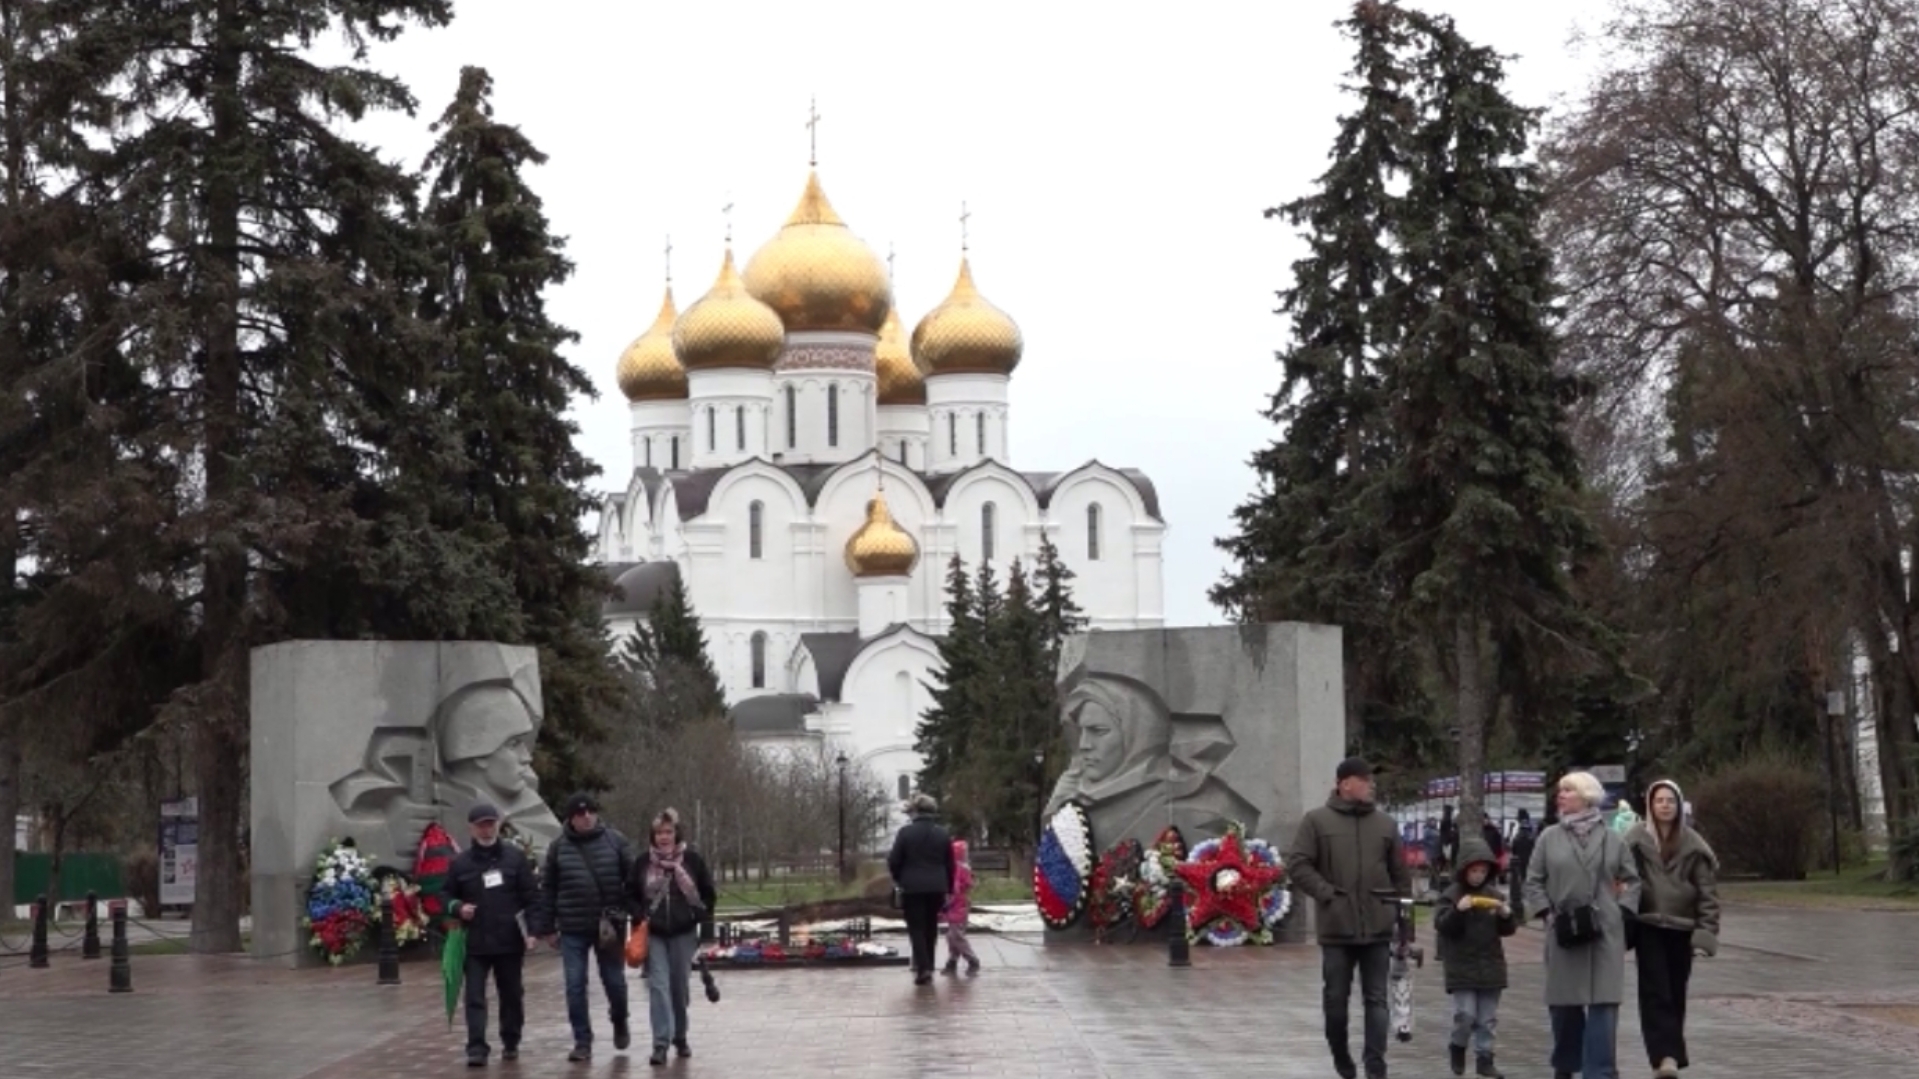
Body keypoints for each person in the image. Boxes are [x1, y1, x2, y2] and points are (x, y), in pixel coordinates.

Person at [1288, 757, 1411, 1079]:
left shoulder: (1385, 825)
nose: (1371, 785)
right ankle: (1342, 1059)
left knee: (1377, 1000)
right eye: (1365, 779)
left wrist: (1404, 923)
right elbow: (1298, 865)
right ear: (1344, 784)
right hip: (1337, 928)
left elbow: (1401, 877)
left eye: (1371, 780)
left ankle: (1375, 1066)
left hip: (1378, 927)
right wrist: (1327, 893)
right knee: (1336, 1002)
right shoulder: (1316, 821)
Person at [1524, 771, 1641, 1079]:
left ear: (1586, 796)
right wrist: (1547, 915)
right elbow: (1533, 882)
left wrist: (1623, 911)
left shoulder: (1613, 839)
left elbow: (1632, 880)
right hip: (1564, 932)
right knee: (1564, 1007)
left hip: (1605, 933)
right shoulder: (1548, 838)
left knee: (1604, 1006)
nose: (1560, 795)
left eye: (1568, 790)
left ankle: (1600, 1072)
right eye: (1559, 791)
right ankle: (1566, 1066)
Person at [1625, 780, 1720, 1078]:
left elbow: (1707, 892)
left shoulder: (1693, 844)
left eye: (1670, 800)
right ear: (1650, 805)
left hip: (1681, 928)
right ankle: (1663, 1057)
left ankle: (1672, 1055)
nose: (1665, 805)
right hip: (1649, 924)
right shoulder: (1636, 839)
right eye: (1659, 800)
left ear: (1679, 806)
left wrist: (1706, 931)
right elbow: (1622, 878)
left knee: (1675, 992)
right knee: (1655, 993)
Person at [531, 792, 634, 1063]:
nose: (586, 816)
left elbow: (632, 881)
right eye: (579, 813)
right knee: (575, 985)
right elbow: (548, 889)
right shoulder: (558, 848)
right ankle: (582, 1040)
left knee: (614, 982)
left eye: (590, 811)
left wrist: (631, 913)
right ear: (571, 818)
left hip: (608, 927)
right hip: (573, 927)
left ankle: (620, 1019)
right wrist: (548, 927)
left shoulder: (616, 841)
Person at [442, 802, 538, 1068]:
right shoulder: (460, 863)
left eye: (491, 823)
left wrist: (532, 931)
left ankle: (510, 1040)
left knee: (511, 995)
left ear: (498, 824)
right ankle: (476, 1047)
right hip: (475, 943)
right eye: (481, 825)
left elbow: (530, 896)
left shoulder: (515, 858)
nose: (486, 829)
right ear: (471, 829)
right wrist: (458, 907)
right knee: (474, 996)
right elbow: (445, 895)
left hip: (509, 941)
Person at [630, 807, 716, 1067]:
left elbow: (707, 894)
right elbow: (630, 894)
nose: (663, 837)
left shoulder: (692, 860)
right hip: (654, 933)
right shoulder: (643, 862)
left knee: (678, 987)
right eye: (658, 832)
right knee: (658, 986)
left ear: (676, 833)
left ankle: (680, 1035)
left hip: (683, 932)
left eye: (668, 832)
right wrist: (639, 914)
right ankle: (660, 1043)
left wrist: (703, 922)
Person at [1434, 837, 1520, 1079]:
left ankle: (1485, 1058)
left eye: (1483, 871)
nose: (1478, 876)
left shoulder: (1494, 895)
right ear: (1464, 870)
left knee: (1487, 1018)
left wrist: (1505, 915)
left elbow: (1508, 929)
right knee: (1466, 1015)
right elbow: (1442, 925)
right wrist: (1457, 911)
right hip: (1461, 966)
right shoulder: (1451, 895)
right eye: (1474, 871)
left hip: (1491, 964)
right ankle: (1458, 1046)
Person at [887, 792, 955, 986]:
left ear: (915, 811)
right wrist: (948, 888)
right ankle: (929, 965)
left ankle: (923, 968)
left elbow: (894, 860)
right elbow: (950, 864)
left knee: (916, 927)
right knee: (930, 926)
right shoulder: (942, 833)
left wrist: (900, 879)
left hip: (912, 886)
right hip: (937, 886)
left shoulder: (905, 833)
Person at [939, 838, 980, 976]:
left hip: (956, 905)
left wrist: (946, 903)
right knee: (953, 935)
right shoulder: (962, 867)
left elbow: (955, 888)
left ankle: (971, 959)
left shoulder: (957, 868)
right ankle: (952, 961)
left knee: (955, 935)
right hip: (958, 904)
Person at [1510, 809, 1537, 890]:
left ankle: (1523, 887)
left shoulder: (1518, 834)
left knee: (1521, 873)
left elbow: (1513, 846)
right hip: (1529, 855)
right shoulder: (1531, 832)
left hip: (1520, 855)